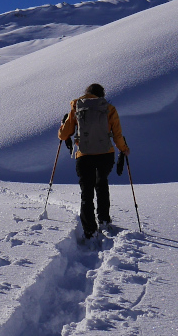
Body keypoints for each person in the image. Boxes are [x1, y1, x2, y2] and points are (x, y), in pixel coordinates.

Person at [58, 83, 130, 239]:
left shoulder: (77, 107)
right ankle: (104, 219)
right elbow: (117, 135)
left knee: (87, 191)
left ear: (86, 93)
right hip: (106, 155)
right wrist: (123, 149)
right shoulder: (109, 108)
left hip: (84, 156)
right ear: (101, 95)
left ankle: (89, 230)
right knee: (102, 183)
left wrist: (63, 125)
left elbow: (64, 135)